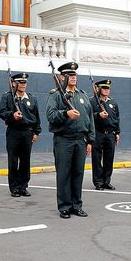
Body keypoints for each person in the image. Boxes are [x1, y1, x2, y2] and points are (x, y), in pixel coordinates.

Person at [46, 61, 94, 218]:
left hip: (80, 140)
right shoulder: (56, 95)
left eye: (74, 75)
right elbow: (51, 115)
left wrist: (90, 140)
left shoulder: (83, 95)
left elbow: (90, 119)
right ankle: (64, 206)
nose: (73, 77)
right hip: (64, 140)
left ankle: (76, 205)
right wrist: (65, 114)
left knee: (78, 173)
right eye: (69, 75)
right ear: (62, 77)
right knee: (64, 174)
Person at [0, 72, 41, 198]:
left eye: (24, 82)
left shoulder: (31, 98)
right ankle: (14, 188)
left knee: (25, 161)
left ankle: (23, 186)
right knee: (13, 160)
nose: (23, 84)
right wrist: (12, 115)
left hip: (27, 132)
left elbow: (37, 117)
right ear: (13, 83)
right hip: (14, 131)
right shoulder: (7, 97)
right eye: (20, 82)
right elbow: (2, 112)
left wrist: (36, 132)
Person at [90, 78, 119, 191]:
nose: (107, 90)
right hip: (98, 133)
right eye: (104, 88)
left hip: (110, 134)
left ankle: (107, 181)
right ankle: (98, 182)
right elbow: (88, 117)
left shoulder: (113, 102)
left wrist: (117, 132)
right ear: (98, 89)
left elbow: (117, 118)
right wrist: (98, 115)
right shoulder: (92, 101)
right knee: (97, 158)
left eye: (108, 88)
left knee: (109, 158)